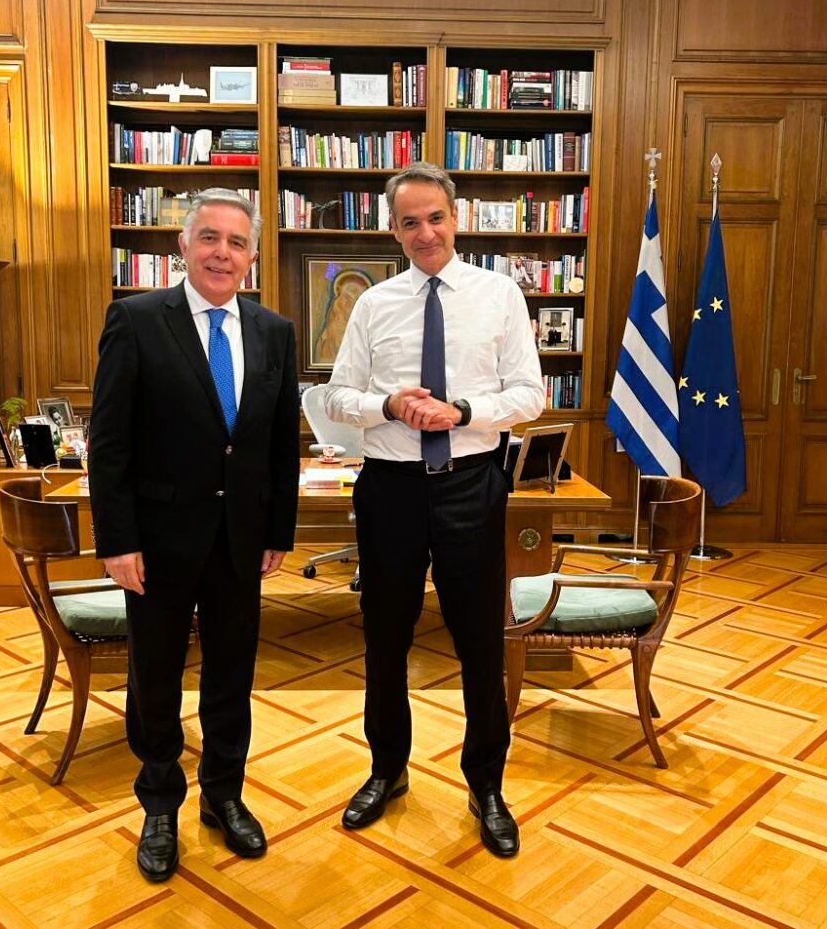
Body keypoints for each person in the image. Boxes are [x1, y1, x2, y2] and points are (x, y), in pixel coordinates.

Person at [325, 161, 544, 858]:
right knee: (384, 637)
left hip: (470, 485)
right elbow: (337, 398)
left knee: (479, 642)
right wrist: (388, 404)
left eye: (436, 218)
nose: (426, 232)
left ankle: (487, 786)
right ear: (393, 230)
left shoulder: (499, 295)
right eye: (410, 222)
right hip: (389, 489)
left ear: (457, 218)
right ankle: (386, 770)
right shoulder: (373, 304)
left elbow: (530, 395)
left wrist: (464, 411)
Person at [88, 188, 300, 883]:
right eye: (209, 237)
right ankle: (159, 805)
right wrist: (117, 540)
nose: (221, 253)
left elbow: (280, 445)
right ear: (182, 246)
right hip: (156, 543)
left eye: (236, 243)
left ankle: (223, 796)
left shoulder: (273, 331)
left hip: (241, 541)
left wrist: (278, 529)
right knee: (155, 679)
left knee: (232, 677)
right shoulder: (136, 319)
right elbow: (110, 444)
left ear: (252, 256)